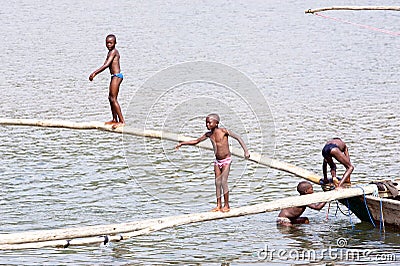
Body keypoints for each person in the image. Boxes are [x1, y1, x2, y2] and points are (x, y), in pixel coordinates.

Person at [175, 114, 250, 212]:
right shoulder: (208, 135)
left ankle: (226, 205)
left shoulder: (223, 131)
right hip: (217, 161)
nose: (207, 125)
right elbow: (196, 141)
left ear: (216, 123)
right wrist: (182, 143)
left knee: (223, 181)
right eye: (206, 123)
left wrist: (246, 151)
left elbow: (238, 137)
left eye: (209, 122)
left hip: (226, 160)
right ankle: (219, 205)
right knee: (217, 183)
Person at [89, 34, 125, 128]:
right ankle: (114, 119)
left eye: (111, 43)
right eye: (107, 43)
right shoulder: (110, 52)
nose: (108, 44)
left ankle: (121, 121)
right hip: (113, 76)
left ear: (115, 43)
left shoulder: (114, 52)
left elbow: (106, 65)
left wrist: (94, 73)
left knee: (113, 98)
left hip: (117, 76)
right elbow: (106, 63)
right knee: (110, 98)